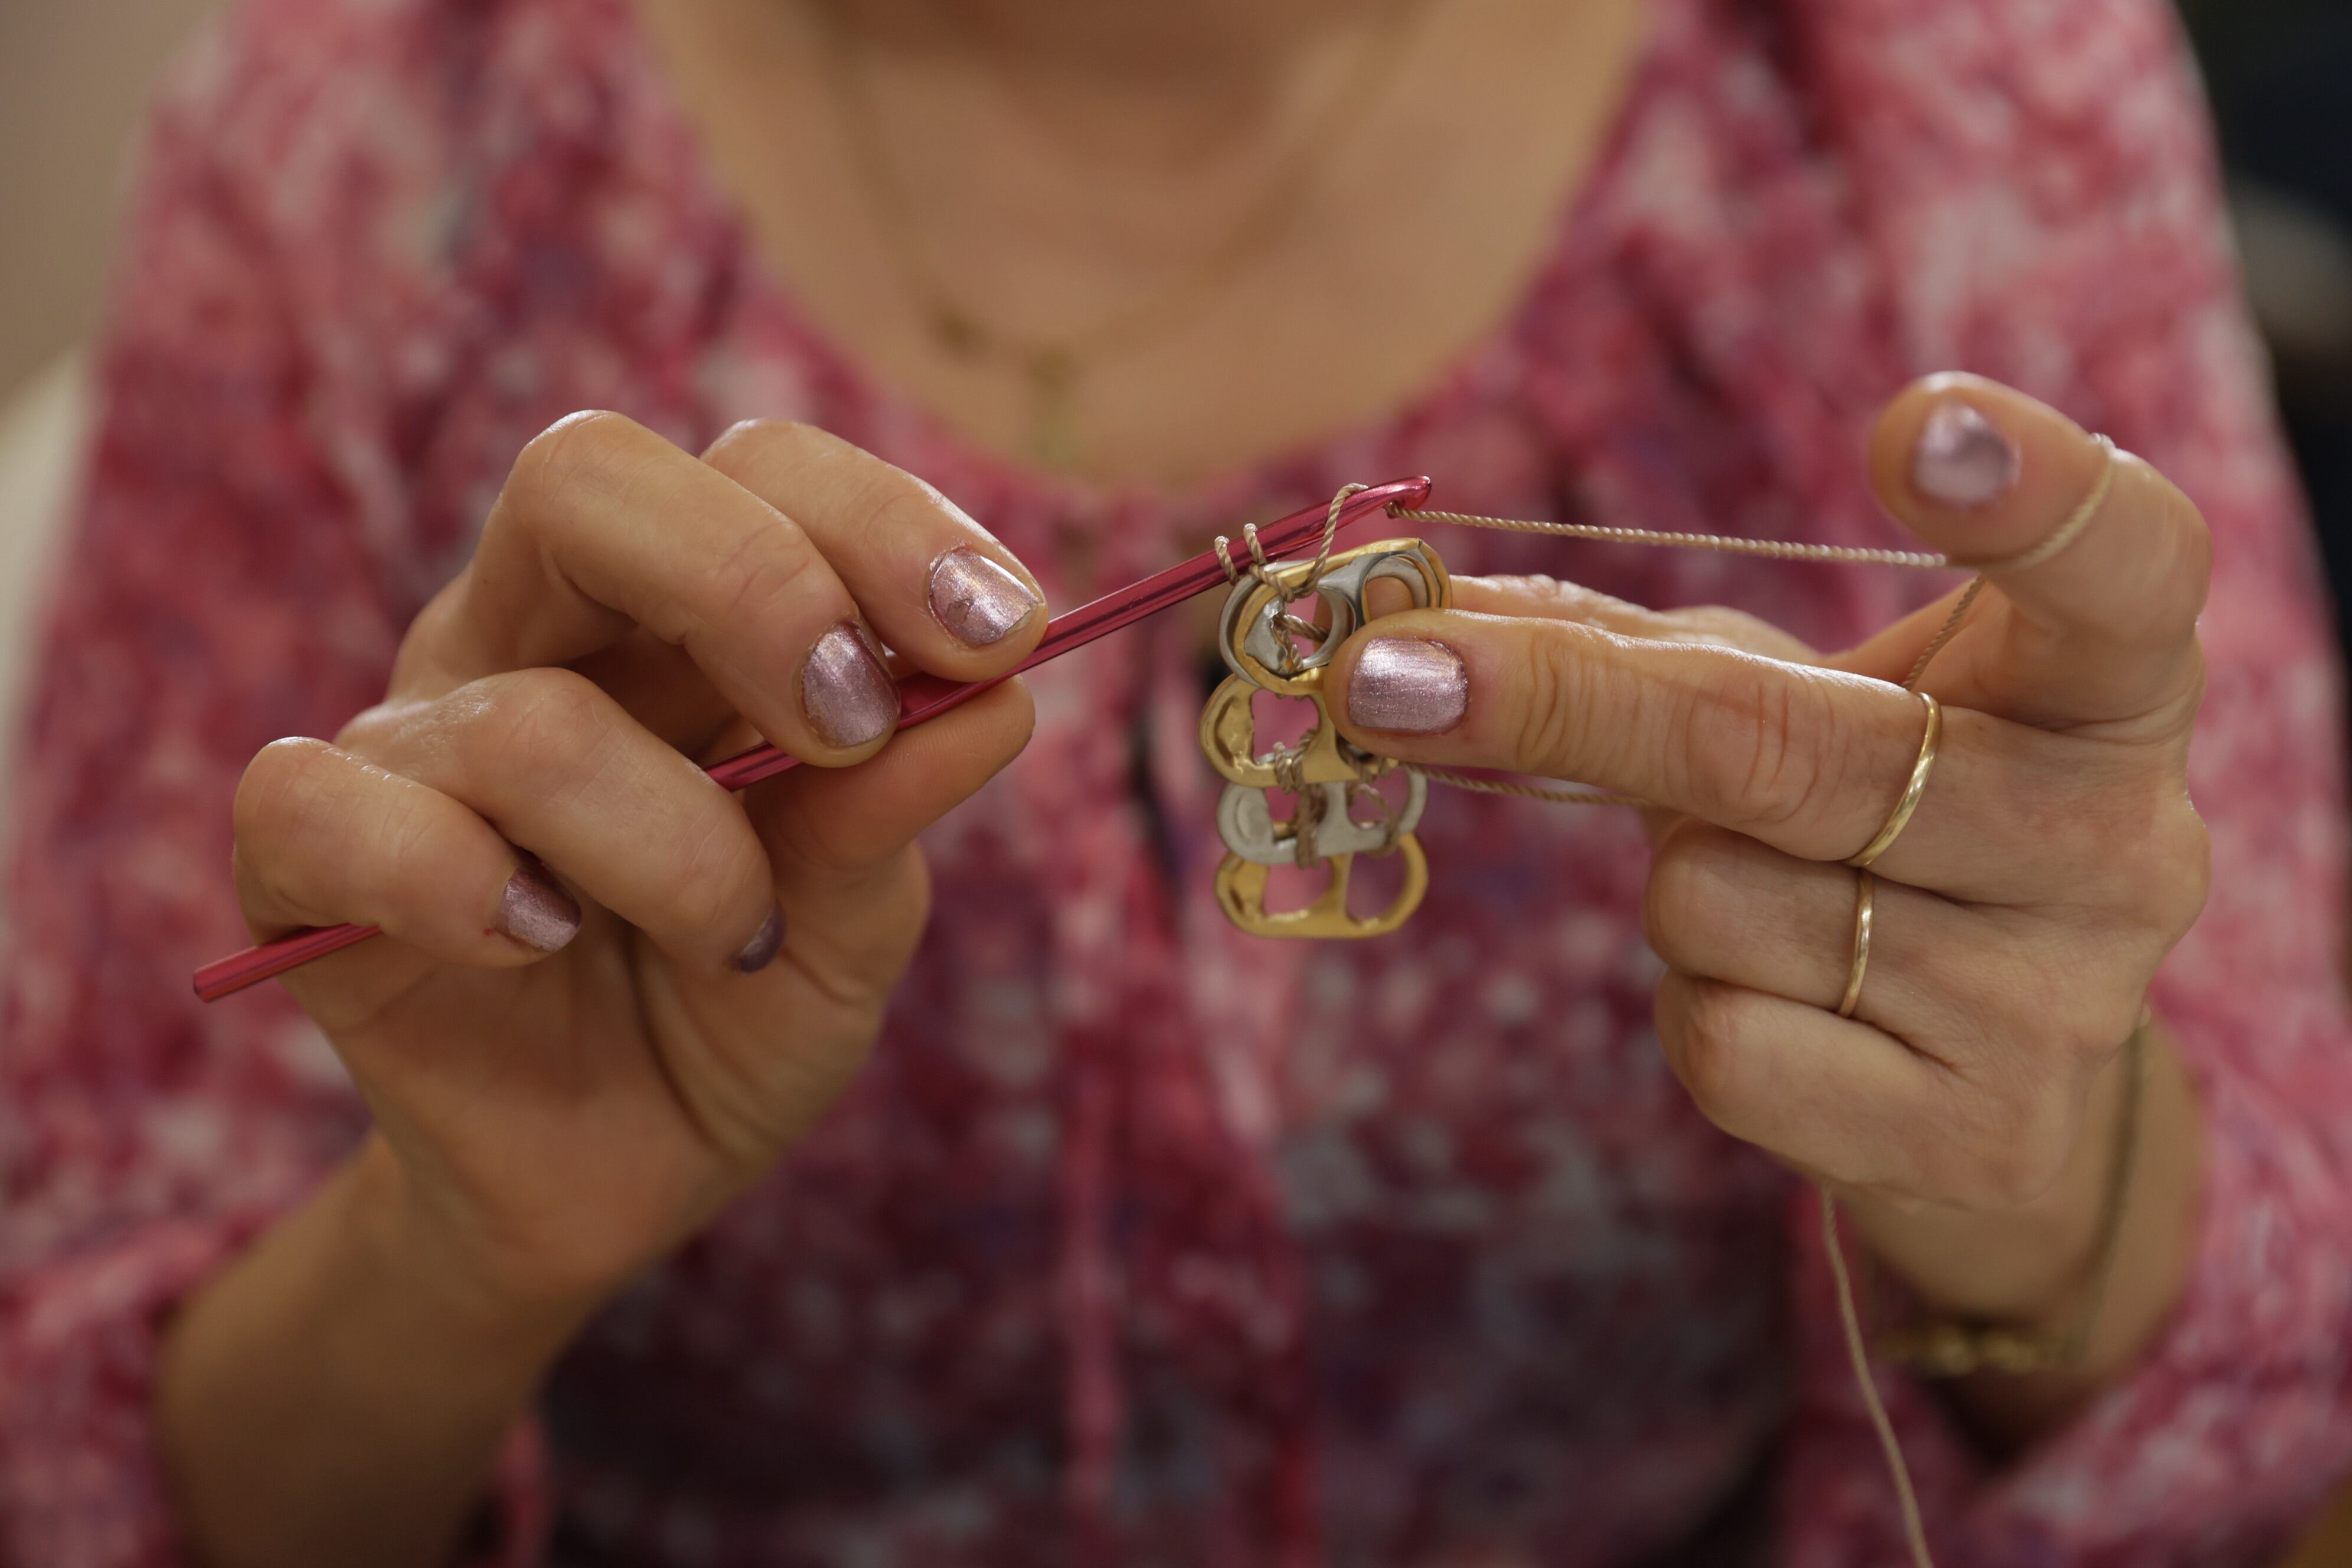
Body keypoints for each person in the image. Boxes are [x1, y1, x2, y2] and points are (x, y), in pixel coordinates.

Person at [1, 0, 2347, 1563]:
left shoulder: (1946, 86)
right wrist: (454, 1252)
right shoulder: (377, 132)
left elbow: (2289, 1295)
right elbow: (73, 1418)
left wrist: (2055, 1158)